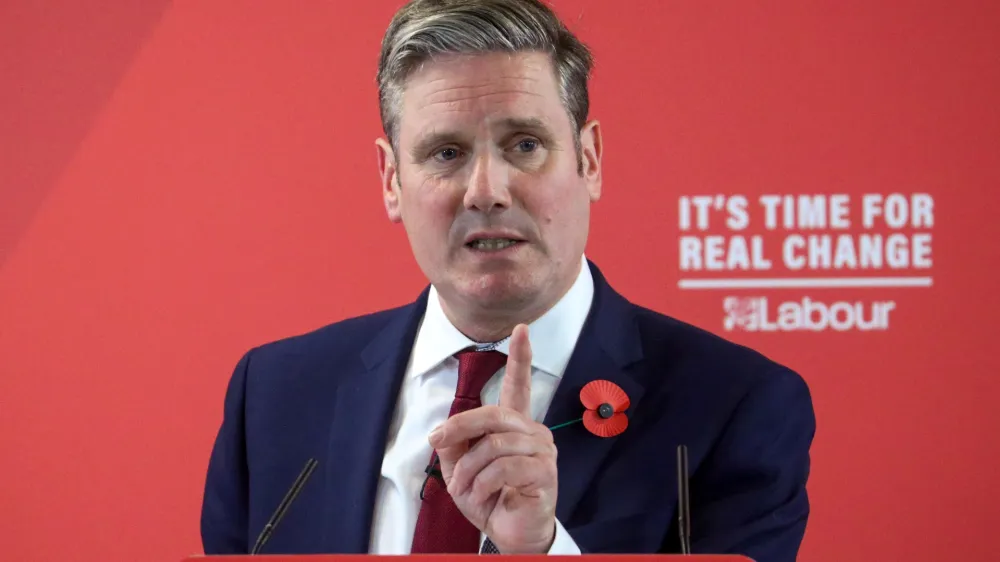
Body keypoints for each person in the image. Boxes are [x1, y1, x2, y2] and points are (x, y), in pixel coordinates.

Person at [200, 0, 816, 559]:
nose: (487, 191)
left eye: (524, 144)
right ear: (391, 180)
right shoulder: (276, 395)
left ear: (589, 160)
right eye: (446, 153)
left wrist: (542, 551)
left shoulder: (736, 404)